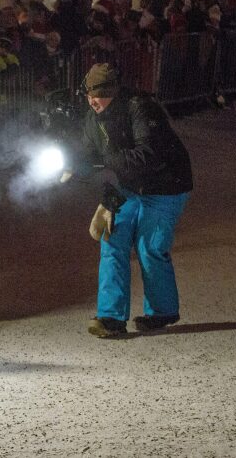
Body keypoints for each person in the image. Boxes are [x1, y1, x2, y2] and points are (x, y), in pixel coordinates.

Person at [71, 63, 193, 338]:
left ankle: (162, 311)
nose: (92, 101)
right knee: (112, 239)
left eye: (98, 95)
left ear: (112, 92)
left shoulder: (140, 108)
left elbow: (147, 156)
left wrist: (106, 163)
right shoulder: (93, 119)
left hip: (165, 185)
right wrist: (77, 167)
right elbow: (92, 158)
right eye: (89, 94)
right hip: (129, 185)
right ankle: (110, 317)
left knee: (150, 246)